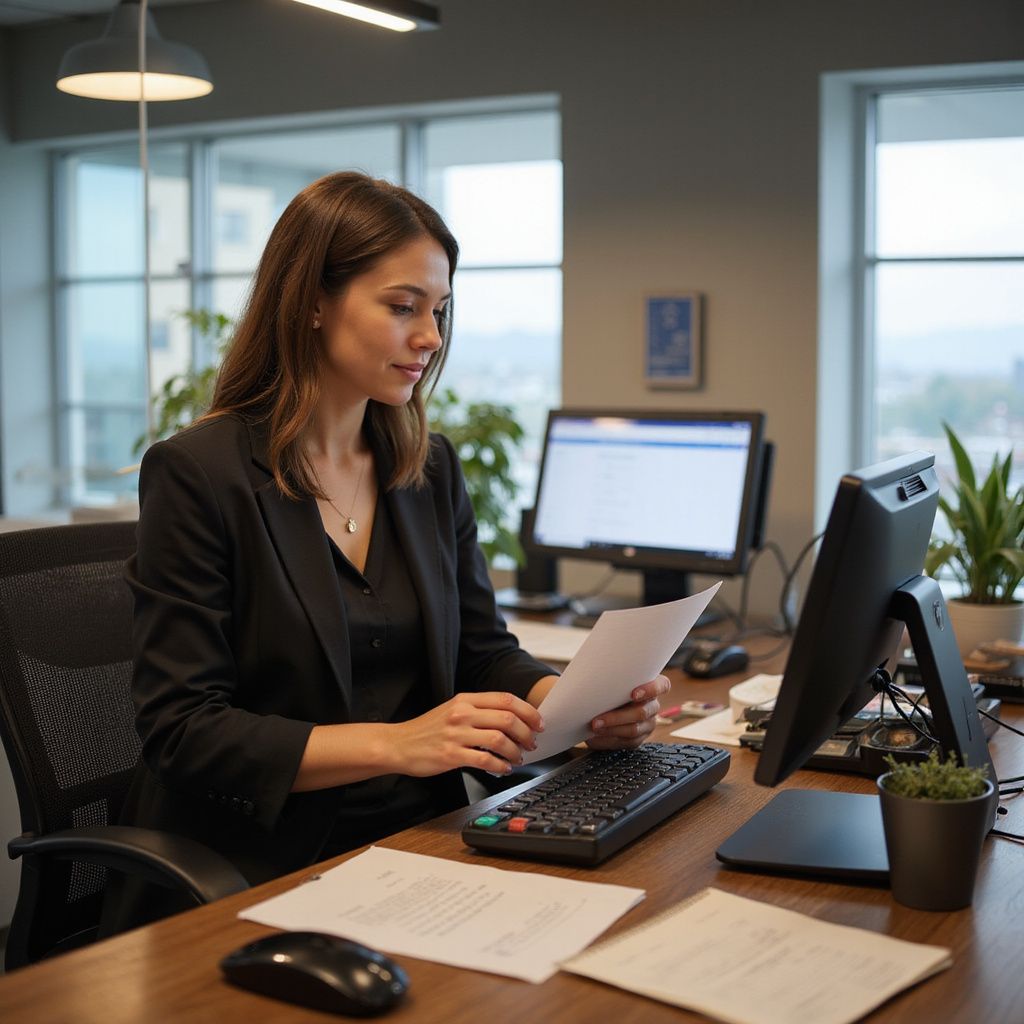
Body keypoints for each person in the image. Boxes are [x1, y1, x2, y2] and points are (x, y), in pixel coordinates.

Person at [108, 172, 669, 926]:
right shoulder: (198, 474)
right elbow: (184, 732)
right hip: (262, 865)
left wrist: (574, 706)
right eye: (402, 307)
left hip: (424, 842)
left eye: (437, 311)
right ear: (311, 300)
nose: (431, 337)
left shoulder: (426, 468)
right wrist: (398, 745)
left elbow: (480, 651)